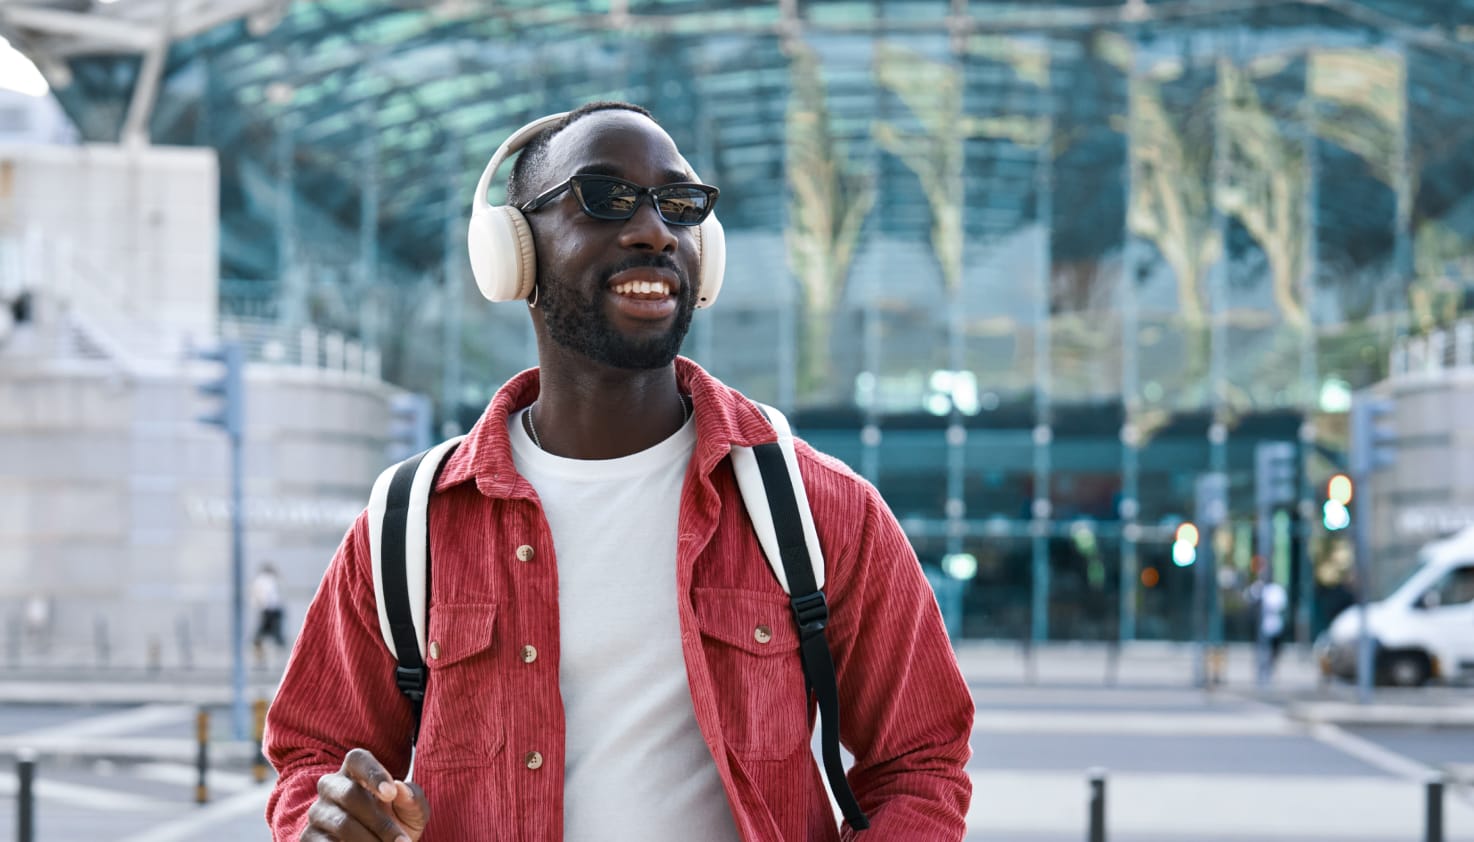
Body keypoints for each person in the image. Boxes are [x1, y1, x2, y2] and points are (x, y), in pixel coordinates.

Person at [264, 102, 974, 841]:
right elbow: (312, 752)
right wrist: (329, 817)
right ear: (512, 252)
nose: (653, 231)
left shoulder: (819, 509)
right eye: (603, 199)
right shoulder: (410, 525)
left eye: (679, 206)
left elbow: (920, 759)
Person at [251, 562, 286, 668]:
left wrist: (259, 604)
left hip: (268, 610)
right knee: (275, 637)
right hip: (273, 610)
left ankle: (262, 659)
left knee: (260, 638)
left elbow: (260, 596)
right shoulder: (270, 579)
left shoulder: (263, 580)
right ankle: (270, 659)